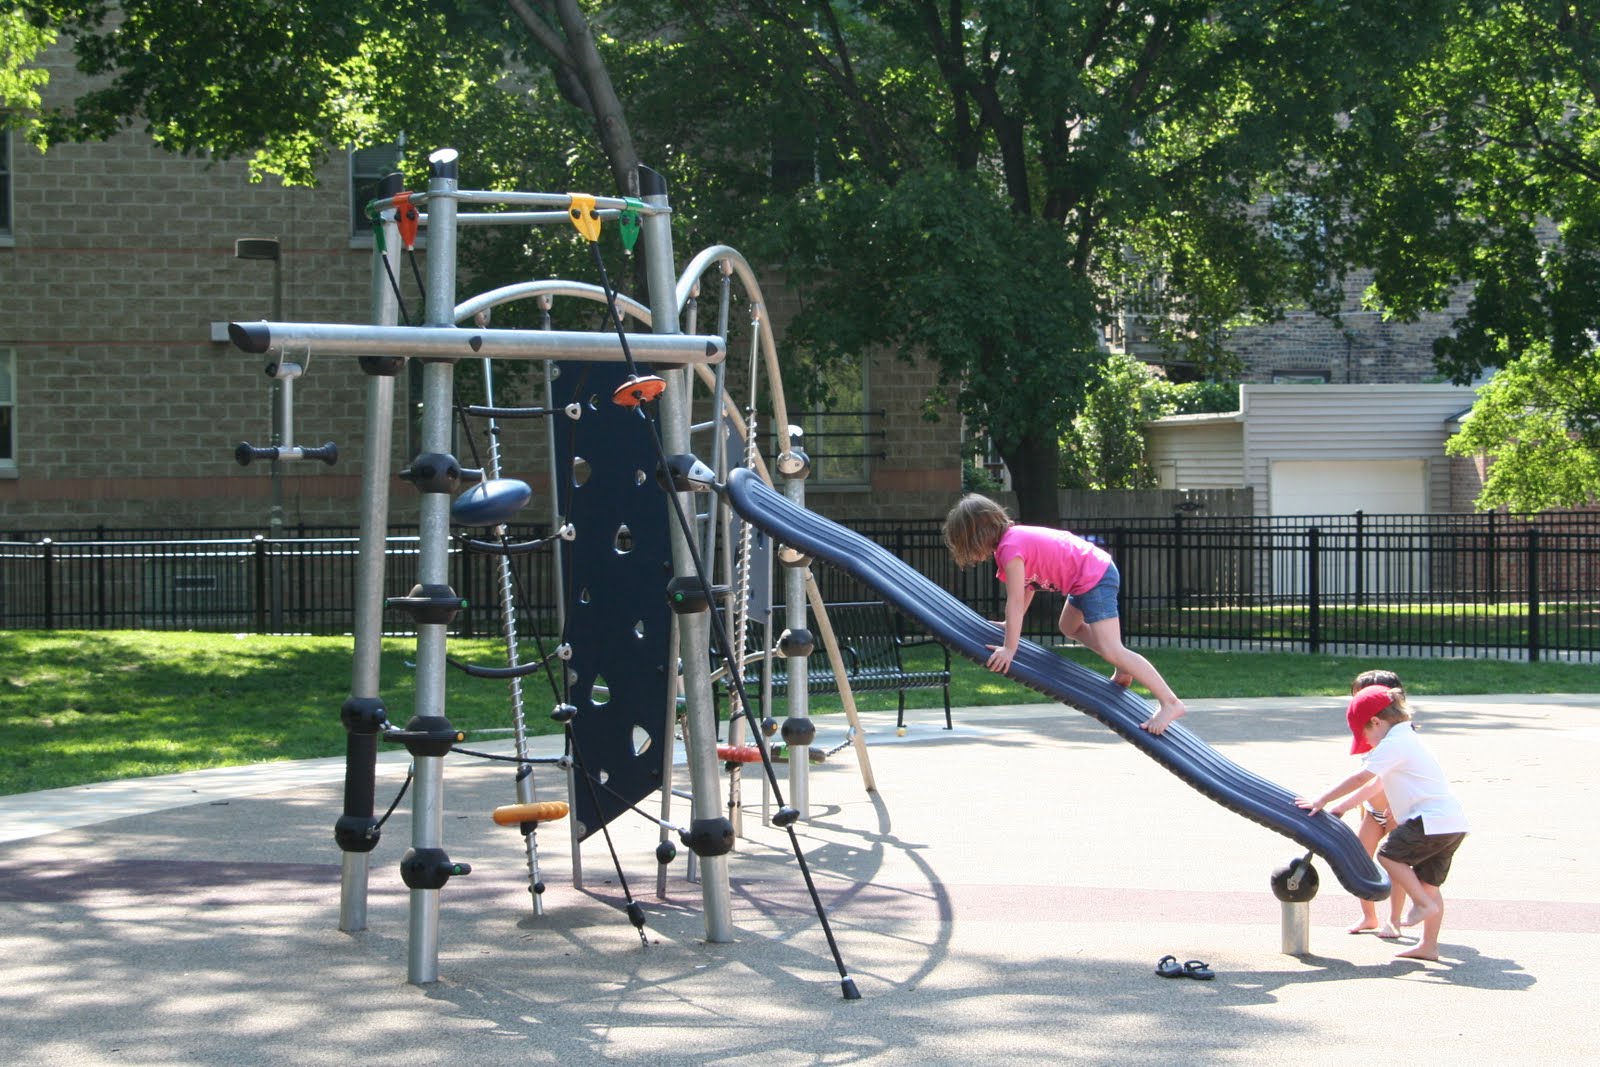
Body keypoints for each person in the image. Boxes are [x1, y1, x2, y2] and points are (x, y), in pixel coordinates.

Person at [942, 493, 1188, 735]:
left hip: (1094, 576)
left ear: (977, 535)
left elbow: (1015, 600)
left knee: (1112, 648)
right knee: (1070, 626)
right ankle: (1124, 668)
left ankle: (1170, 702)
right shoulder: (1013, 541)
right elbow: (1028, 587)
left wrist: (1009, 649)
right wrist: (1009, 625)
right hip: (1087, 573)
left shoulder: (1010, 547)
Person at [1297, 684, 1469, 962]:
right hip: (1452, 823)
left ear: (1376, 722)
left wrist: (1322, 799)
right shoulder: (1409, 738)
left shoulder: (1394, 743)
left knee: (1388, 855)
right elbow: (1376, 784)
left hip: (1426, 820)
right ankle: (1429, 945)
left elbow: (1361, 778)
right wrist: (1342, 806)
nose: (1367, 742)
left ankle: (1421, 904)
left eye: (1365, 734)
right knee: (1429, 884)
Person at [1328, 669, 1408, 937]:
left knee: (1396, 865)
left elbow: (1388, 777)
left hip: (1397, 812)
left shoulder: (1398, 737)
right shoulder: (1370, 732)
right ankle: (1368, 915)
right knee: (1360, 858)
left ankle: (1394, 920)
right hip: (1374, 812)